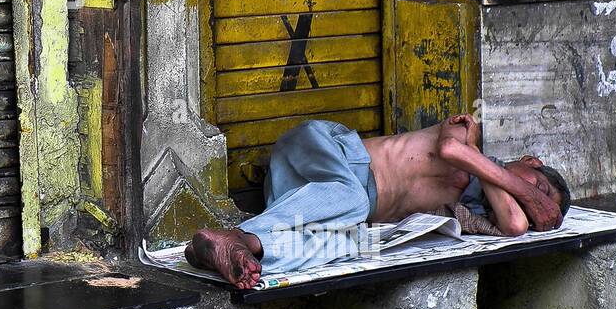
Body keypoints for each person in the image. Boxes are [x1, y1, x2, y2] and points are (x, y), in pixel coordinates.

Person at [185, 115, 571, 289]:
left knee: (352, 246)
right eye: (536, 187)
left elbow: (516, 226)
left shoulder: (473, 201)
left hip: (306, 202)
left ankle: (241, 249)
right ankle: (235, 232)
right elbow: (452, 148)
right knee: (354, 198)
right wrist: (522, 189)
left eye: (533, 203)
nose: (529, 203)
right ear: (530, 162)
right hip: (318, 150)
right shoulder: (466, 132)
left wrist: (520, 196)